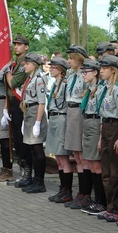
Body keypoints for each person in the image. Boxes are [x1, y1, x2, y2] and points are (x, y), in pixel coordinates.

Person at [96, 54, 118, 222]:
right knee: (106, 171)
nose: (101, 71)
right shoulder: (104, 88)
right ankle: (110, 206)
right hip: (106, 127)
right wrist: (101, 138)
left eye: (104, 68)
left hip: (116, 127)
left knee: (116, 172)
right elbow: (102, 115)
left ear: (113, 70)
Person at [63, 45, 92, 209]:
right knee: (76, 154)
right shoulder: (70, 74)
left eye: (71, 58)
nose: (69, 61)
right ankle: (81, 193)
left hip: (80, 111)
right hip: (70, 110)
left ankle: (85, 193)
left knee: (82, 156)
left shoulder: (85, 75)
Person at [78, 58, 107, 215]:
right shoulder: (89, 90)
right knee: (89, 162)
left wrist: (101, 137)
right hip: (88, 124)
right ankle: (95, 199)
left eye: (86, 72)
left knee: (97, 165)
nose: (83, 74)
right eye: (82, 72)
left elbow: (102, 114)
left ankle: (101, 201)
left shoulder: (100, 89)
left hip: (96, 124)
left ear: (95, 72)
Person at [19, 53, 49, 194]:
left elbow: (41, 102)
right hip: (29, 113)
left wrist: (37, 122)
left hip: (36, 112)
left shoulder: (39, 79)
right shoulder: (30, 79)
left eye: (27, 63)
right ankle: (33, 180)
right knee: (31, 148)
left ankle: (39, 182)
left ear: (35, 65)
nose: (25, 65)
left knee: (37, 149)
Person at [5, 35, 32, 187]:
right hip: (13, 104)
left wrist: (7, 72)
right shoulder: (16, 64)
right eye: (15, 44)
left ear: (26, 47)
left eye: (19, 44)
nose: (16, 47)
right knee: (16, 139)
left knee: (22, 140)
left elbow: (14, 82)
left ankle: (27, 173)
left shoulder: (24, 64)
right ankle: (22, 172)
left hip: (21, 104)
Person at [46, 57, 73, 203]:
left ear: (61, 70)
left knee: (63, 157)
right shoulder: (56, 84)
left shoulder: (65, 84)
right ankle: (62, 189)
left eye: (53, 67)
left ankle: (67, 190)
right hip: (54, 118)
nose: (50, 69)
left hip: (61, 118)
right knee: (58, 158)